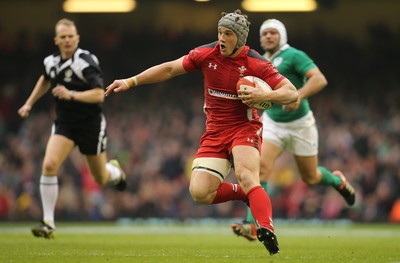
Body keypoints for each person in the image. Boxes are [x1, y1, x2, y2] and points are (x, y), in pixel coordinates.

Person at [105, 10, 297, 255]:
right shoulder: (207, 54)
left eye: (228, 34)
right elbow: (169, 69)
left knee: (247, 175)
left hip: (243, 129)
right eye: (219, 32)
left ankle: (265, 227)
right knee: (199, 192)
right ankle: (245, 194)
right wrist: (131, 81)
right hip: (215, 132)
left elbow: (291, 92)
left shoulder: (256, 62)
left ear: (240, 38)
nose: (221, 38)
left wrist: (266, 95)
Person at [231, 19, 356, 241]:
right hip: (273, 124)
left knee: (311, 177)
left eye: (273, 33)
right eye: (265, 33)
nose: (268, 36)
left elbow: (319, 79)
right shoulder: (261, 60)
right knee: (260, 170)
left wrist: (299, 95)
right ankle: (252, 224)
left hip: (300, 125)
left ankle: (337, 180)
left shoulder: (293, 55)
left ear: (282, 36)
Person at [18, 18, 127, 239]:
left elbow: (99, 95)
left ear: (77, 38)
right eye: (63, 37)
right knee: (49, 165)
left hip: (90, 125)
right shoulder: (51, 62)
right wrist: (29, 103)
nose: (67, 40)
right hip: (65, 124)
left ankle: (115, 172)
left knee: (100, 177)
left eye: (71, 36)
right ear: (56, 40)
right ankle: (48, 222)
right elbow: (45, 79)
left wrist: (71, 95)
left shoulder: (85, 61)